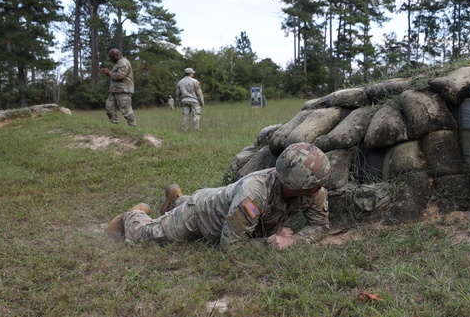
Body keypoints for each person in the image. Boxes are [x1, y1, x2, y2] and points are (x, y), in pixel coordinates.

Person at [106, 142, 333, 251]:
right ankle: (134, 214)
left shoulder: (313, 190)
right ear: (294, 183)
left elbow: (320, 226)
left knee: (212, 200)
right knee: (145, 237)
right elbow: (231, 247)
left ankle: (175, 201)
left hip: (220, 201)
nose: (321, 187)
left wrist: (293, 240)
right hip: (200, 215)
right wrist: (271, 243)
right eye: (315, 182)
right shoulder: (253, 194)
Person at [101, 48, 136, 126]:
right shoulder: (118, 63)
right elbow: (115, 75)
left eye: (112, 57)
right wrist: (109, 72)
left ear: (117, 55)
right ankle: (114, 126)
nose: (111, 59)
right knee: (109, 108)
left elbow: (120, 76)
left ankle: (133, 127)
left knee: (126, 111)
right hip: (115, 90)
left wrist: (109, 73)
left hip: (123, 90)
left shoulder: (124, 62)